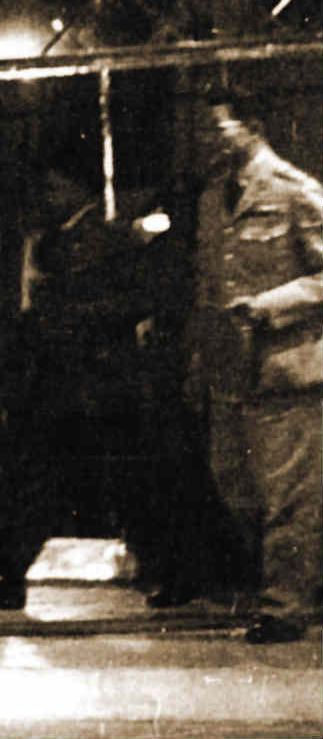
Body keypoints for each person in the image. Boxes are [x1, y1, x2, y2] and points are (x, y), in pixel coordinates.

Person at [186, 96, 323, 645]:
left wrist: (268, 305)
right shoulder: (213, 201)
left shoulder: (295, 191)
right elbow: (207, 287)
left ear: (254, 126)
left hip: (288, 369)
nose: (210, 140)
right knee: (237, 488)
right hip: (231, 371)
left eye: (219, 127)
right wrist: (200, 360)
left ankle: (286, 607)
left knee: (290, 495)